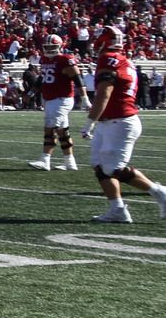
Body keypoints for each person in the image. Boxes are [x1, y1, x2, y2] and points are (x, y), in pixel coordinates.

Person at [82, 25, 166, 223]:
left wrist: (89, 122)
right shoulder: (124, 60)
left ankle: (159, 192)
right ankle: (117, 209)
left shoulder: (108, 59)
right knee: (100, 166)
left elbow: (104, 93)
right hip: (112, 121)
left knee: (113, 169)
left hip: (120, 121)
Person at [28, 34, 90, 172]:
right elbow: (42, 78)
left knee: (50, 128)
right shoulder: (44, 59)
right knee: (63, 131)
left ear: (60, 46)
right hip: (50, 99)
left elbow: (77, 79)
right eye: (47, 46)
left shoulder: (65, 59)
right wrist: (31, 93)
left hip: (62, 99)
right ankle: (70, 162)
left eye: (52, 46)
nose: (49, 49)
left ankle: (45, 160)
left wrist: (85, 99)